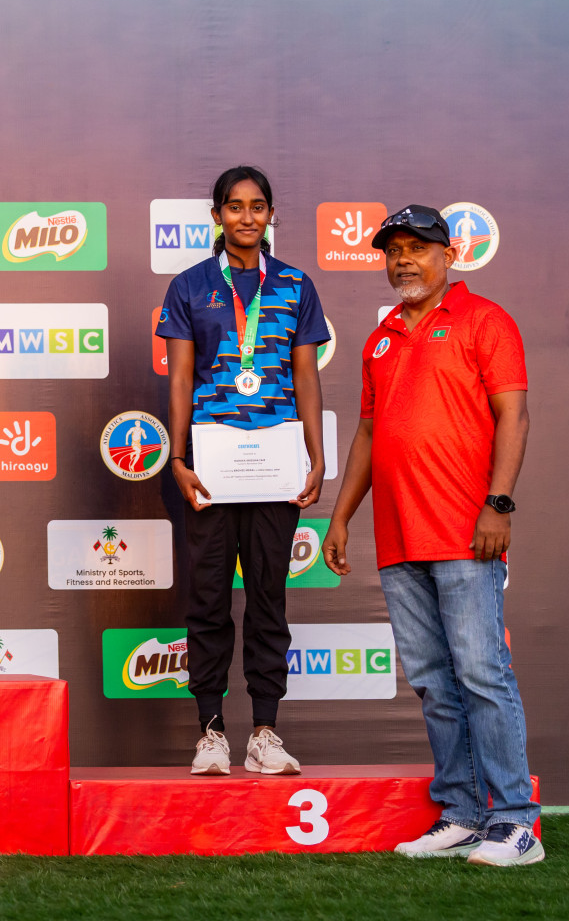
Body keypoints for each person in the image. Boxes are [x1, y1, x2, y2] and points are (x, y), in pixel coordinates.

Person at [322, 205, 540, 866]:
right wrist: (339, 515)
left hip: (465, 531)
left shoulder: (485, 320)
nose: (403, 260)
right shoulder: (380, 336)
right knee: (431, 679)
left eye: (418, 248)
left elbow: (515, 416)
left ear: (450, 256)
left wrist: (497, 505)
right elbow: (366, 433)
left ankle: (516, 825)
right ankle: (464, 813)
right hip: (398, 538)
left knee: (480, 673)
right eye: (393, 251)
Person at [156, 166, 327, 776]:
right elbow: (179, 377)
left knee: (267, 597)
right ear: (217, 216)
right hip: (212, 464)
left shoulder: (296, 285)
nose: (246, 217)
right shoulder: (190, 285)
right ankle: (209, 733)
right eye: (234, 206)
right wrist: (177, 457)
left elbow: (305, 376)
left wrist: (316, 452)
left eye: (257, 206)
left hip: (277, 463)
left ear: (271, 214)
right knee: (206, 598)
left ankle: (263, 732)